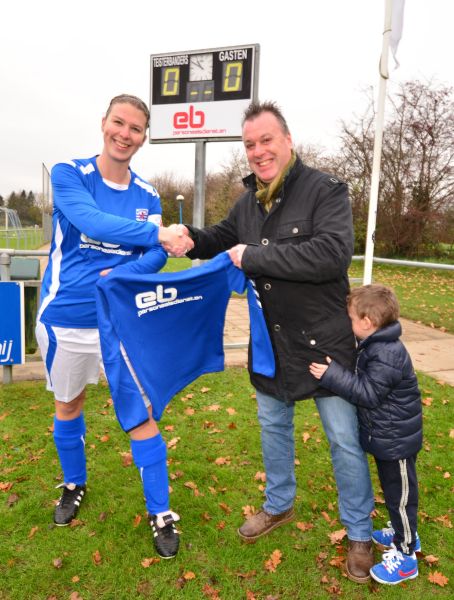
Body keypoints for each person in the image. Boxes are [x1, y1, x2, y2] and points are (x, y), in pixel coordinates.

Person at [178, 100, 376, 583]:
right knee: (273, 428)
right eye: (249, 145)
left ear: (288, 141)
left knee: (344, 442)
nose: (258, 152)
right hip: (270, 344)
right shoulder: (248, 203)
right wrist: (188, 237)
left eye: (266, 140)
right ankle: (278, 505)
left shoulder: (326, 189)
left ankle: (359, 532)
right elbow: (222, 238)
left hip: (325, 344)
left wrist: (257, 256)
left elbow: (331, 255)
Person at [35, 93, 193, 559]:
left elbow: (158, 255)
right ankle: (73, 483)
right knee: (69, 405)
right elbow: (89, 220)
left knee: (140, 414)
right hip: (66, 318)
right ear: (104, 123)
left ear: (145, 137)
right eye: (118, 123)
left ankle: (161, 511)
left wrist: (126, 272)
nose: (125, 134)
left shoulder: (147, 195)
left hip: (121, 323)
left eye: (136, 128)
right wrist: (156, 235)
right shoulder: (70, 173)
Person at [310, 284, 422, 585]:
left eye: (350, 319)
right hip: (389, 437)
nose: (348, 324)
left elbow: (368, 393)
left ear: (367, 322)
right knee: (395, 494)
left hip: (397, 441)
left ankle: (407, 553)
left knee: (400, 498)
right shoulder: (377, 345)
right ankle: (403, 532)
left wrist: (332, 375)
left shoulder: (387, 353)